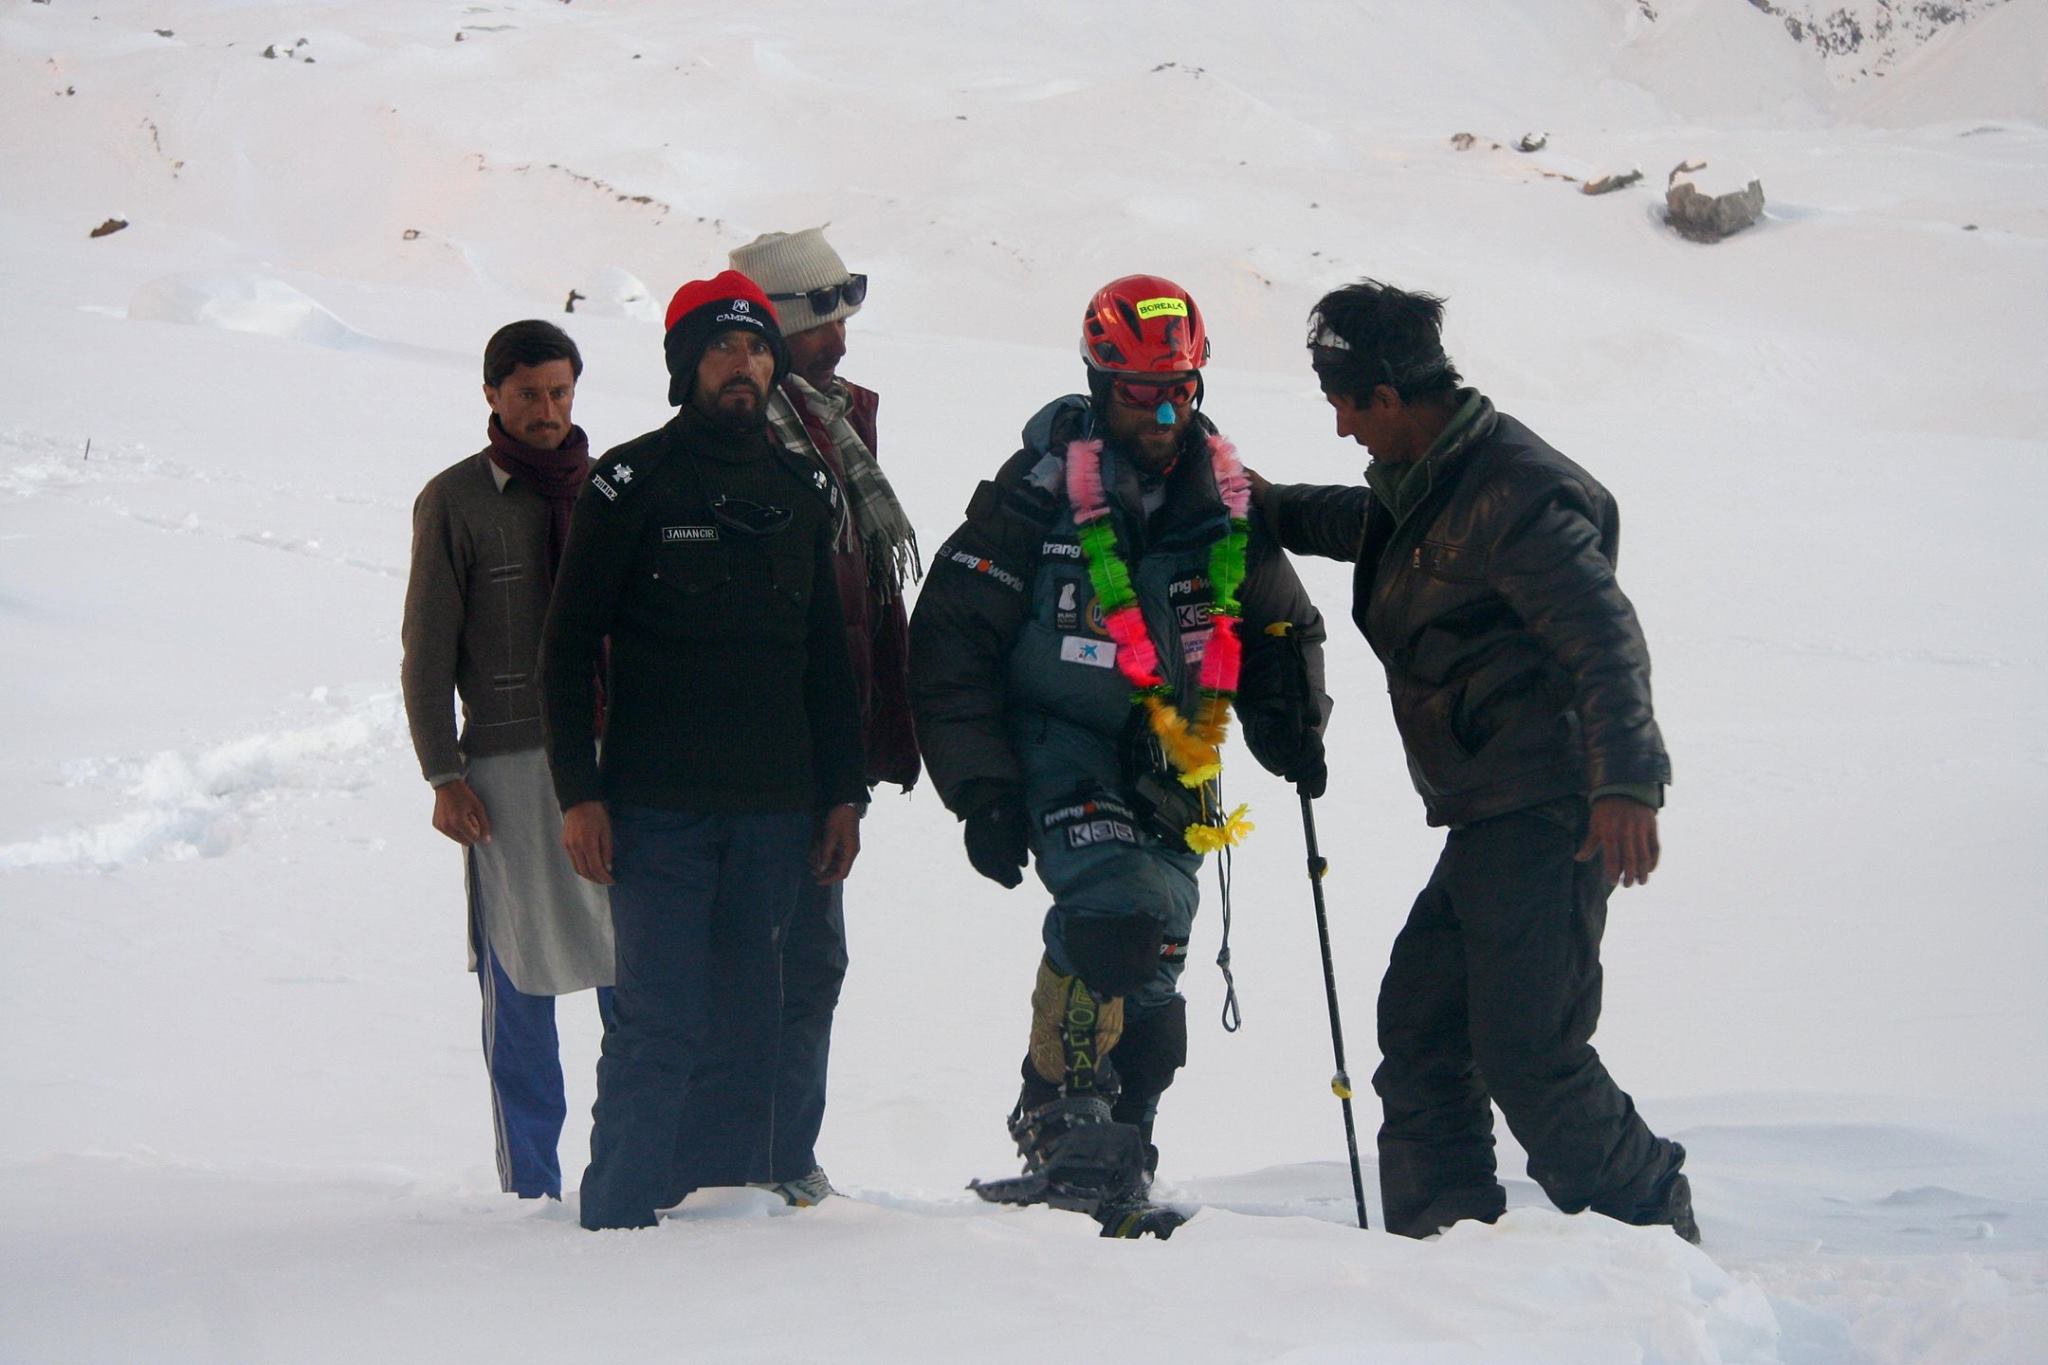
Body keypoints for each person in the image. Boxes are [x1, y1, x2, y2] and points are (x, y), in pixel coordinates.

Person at [1254, 278, 1697, 1243]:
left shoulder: (1518, 493)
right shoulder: (1432, 481)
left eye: (1343, 407)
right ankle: (1446, 1247)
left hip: (1549, 808)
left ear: (1386, 397)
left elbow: (1603, 636)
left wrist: (1626, 781)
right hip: (1493, 810)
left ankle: (1653, 1221)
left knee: (1530, 1054)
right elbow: (1360, 525)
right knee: (1421, 1029)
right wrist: (1252, 501)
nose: (1341, 431)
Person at [910, 275, 1329, 1209]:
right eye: (1142, 391)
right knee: (1116, 918)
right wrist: (981, 788)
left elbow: (1282, 625)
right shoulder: (1037, 491)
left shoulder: (1224, 500)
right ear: (1100, 382)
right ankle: (1061, 1117)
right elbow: (949, 635)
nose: (1167, 409)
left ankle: (1114, 1152)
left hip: (1176, 760)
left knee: (1154, 998)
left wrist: (1288, 718)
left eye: (1181, 385)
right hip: (1057, 741)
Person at [539, 270, 866, 1231]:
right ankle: (621, 1214)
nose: (746, 364)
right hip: (656, 809)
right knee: (658, 1021)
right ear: (685, 364)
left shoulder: (807, 485)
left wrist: (842, 794)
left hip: (776, 810)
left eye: (759, 347)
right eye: (724, 347)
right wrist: (578, 791)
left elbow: (826, 659)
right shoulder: (628, 482)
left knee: (749, 1023)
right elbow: (564, 652)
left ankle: (721, 1220)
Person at [400, 319, 616, 1201]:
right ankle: (531, 1188)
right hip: (506, 764)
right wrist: (442, 773)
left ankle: (633, 1165)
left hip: (612, 762)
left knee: (629, 967)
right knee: (520, 976)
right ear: (491, 393)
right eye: (528, 393)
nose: (547, 411)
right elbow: (425, 647)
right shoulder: (455, 499)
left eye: (561, 392)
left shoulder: (611, 487)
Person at [727, 227, 922, 1206]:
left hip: (823, 757)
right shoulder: (746, 444)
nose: (839, 335)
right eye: (818, 317)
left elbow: (858, 604)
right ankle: (750, 1169)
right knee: (774, 965)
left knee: (805, 963)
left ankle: (776, 1161)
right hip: (769, 768)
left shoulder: (834, 425)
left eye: (842, 310)